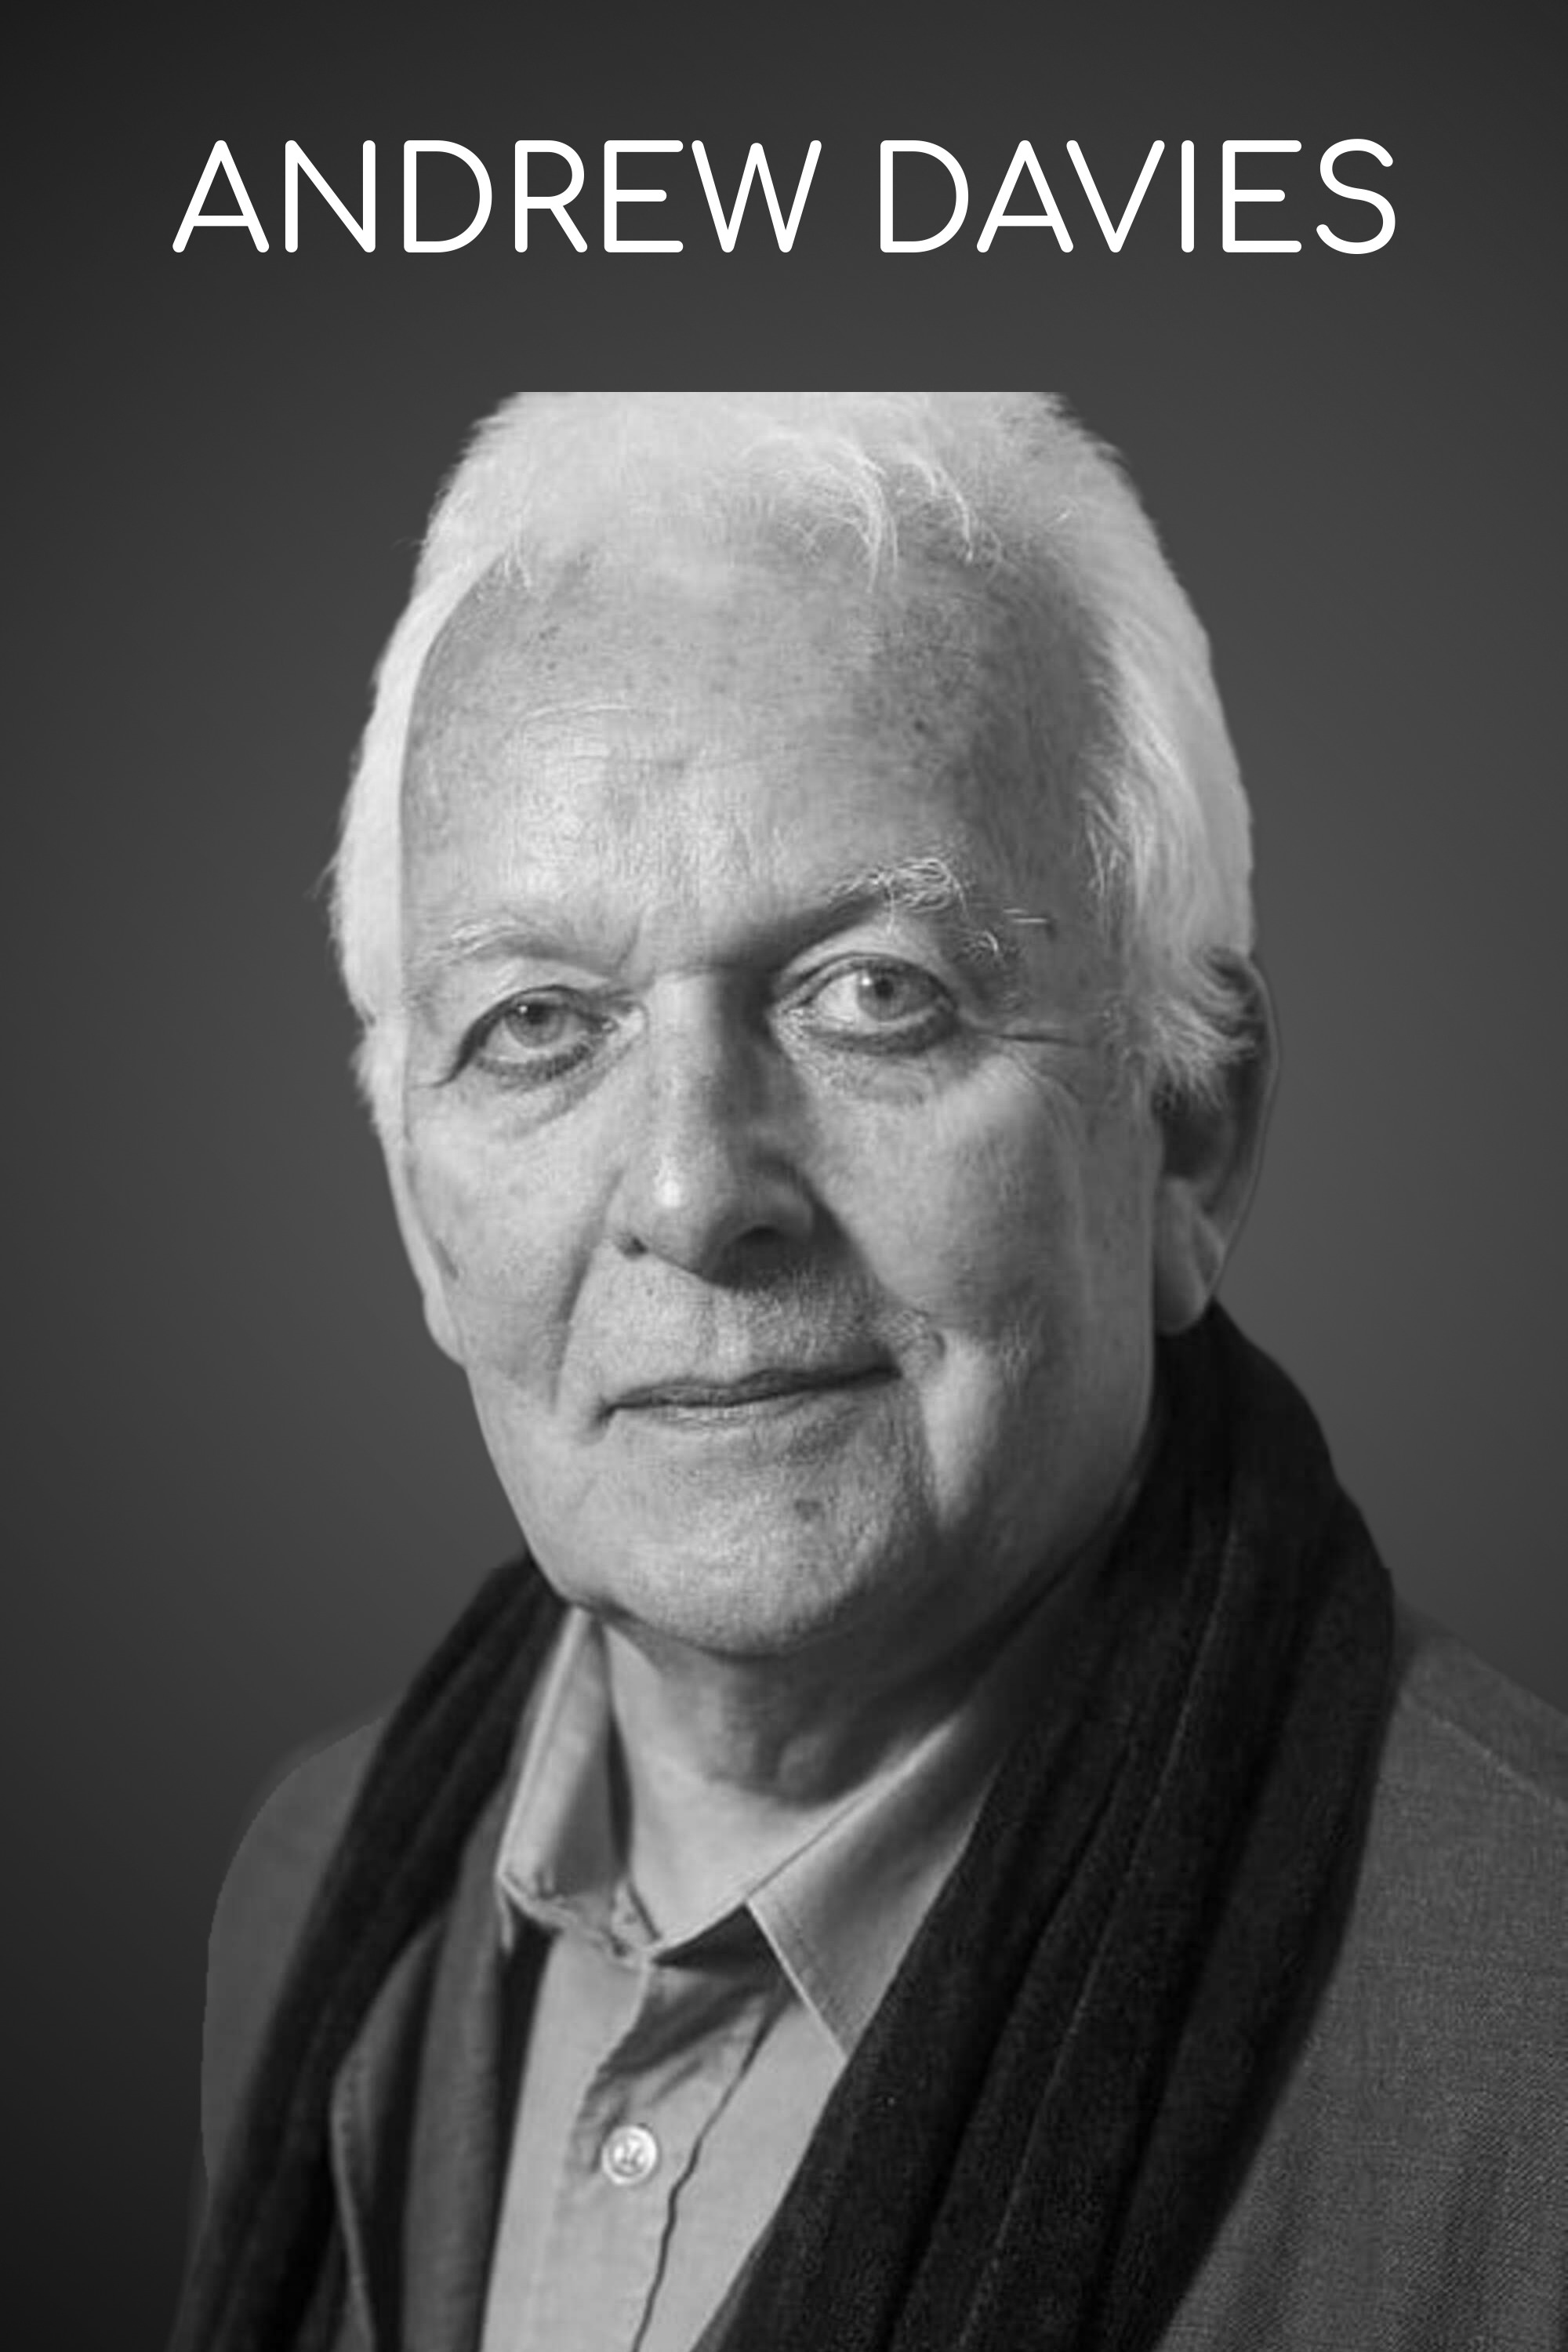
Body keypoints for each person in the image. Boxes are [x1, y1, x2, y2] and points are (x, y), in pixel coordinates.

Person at [172, 393, 1566, 2352]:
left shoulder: (1529, 2021)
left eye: (874, 995)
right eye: (538, 1023)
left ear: (1188, 1136)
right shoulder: (315, 1890)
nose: (691, 1194)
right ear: (419, 1213)